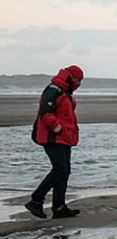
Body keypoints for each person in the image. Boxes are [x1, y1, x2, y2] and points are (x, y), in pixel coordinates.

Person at [24, 65, 84, 219]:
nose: (79, 85)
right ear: (71, 79)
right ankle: (36, 200)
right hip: (53, 137)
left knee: (64, 171)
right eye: (78, 82)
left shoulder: (64, 92)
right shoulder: (54, 90)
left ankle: (59, 207)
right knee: (60, 169)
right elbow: (45, 112)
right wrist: (57, 128)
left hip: (63, 137)